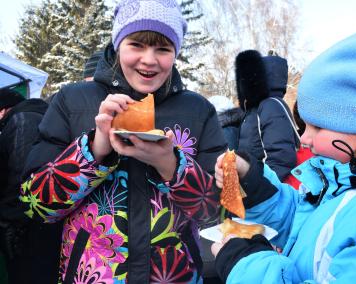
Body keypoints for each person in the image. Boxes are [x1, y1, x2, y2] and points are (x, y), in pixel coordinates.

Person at [19, 0, 227, 283]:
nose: (150, 59)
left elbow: (218, 213)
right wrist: (95, 149)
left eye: (163, 48)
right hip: (93, 276)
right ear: (118, 44)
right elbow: (36, 205)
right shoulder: (72, 101)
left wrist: (169, 164)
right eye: (137, 45)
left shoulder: (198, 111)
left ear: (175, 53)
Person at [212, 31, 356, 283]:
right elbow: (305, 221)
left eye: (318, 127)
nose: (304, 139)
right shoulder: (345, 176)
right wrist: (253, 182)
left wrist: (246, 265)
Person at [0, 88, 62, 284]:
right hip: (45, 219)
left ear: (3, 110)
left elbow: (22, 178)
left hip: (28, 226)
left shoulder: (22, 121)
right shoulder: (40, 117)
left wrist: (9, 221)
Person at [236, 49, 297, 181]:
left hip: (269, 192)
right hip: (256, 185)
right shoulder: (254, 110)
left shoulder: (269, 106)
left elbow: (281, 160)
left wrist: (260, 189)